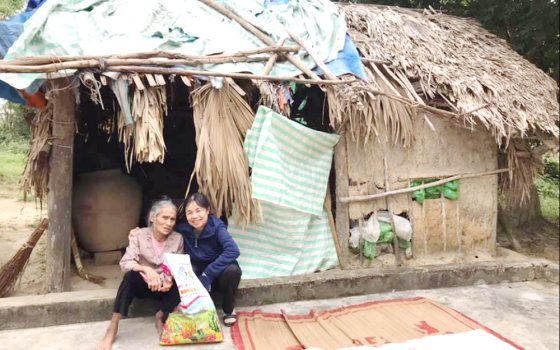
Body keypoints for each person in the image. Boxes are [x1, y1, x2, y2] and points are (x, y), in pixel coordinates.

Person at [96, 198, 184, 350]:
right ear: (152, 217)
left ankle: (160, 316)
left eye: (172, 219)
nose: (169, 223)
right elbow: (126, 262)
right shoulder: (139, 235)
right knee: (130, 277)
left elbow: (178, 265)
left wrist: (169, 279)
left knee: (182, 282)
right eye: (164, 217)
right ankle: (113, 327)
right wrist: (145, 269)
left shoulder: (178, 239)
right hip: (143, 285)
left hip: (164, 288)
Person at [178, 193, 242, 327]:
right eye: (189, 212)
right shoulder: (183, 229)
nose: (194, 216)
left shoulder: (217, 226)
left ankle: (229, 308)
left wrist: (209, 273)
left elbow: (233, 250)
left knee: (232, 271)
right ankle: (199, 308)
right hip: (198, 271)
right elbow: (162, 232)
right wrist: (138, 233)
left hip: (218, 271)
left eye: (198, 210)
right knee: (187, 270)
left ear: (207, 210)